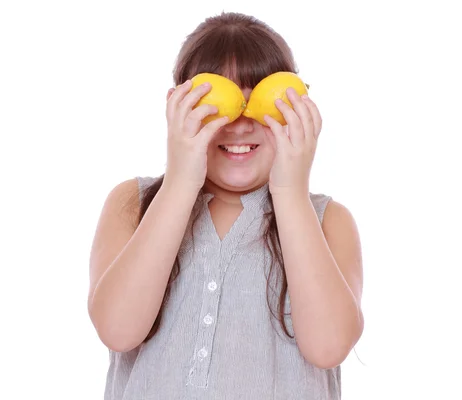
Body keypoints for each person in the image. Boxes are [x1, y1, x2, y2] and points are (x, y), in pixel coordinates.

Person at [88, 11, 364, 400]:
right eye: (220, 104)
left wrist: (290, 191)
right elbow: (116, 328)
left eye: (260, 104)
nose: (239, 124)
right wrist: (182, 179)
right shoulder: (133, 202)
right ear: (176, 107)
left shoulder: (326, 219)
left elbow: (329, 346)